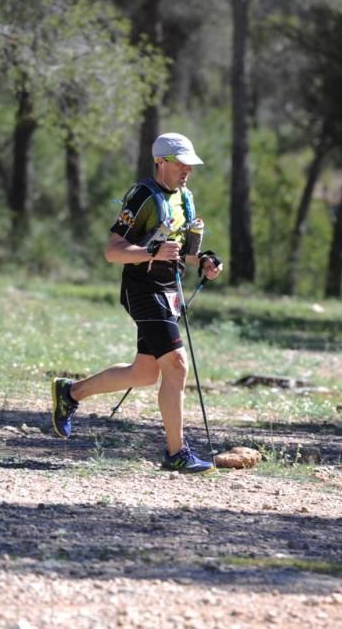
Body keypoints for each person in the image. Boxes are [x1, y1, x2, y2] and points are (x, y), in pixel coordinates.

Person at [51, 132, 223, 474]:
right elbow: (112, 251)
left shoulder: (185, 198)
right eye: (181, 163)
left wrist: (204, 260)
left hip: (167, 291)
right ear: (161, 162)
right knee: (176, 365)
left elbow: (182, 252)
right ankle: (177, 452)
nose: (187, 169)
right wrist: (150, 252)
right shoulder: (144, 196)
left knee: (144, 373)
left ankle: (70, 393)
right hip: (142, 288)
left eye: (190, 164)